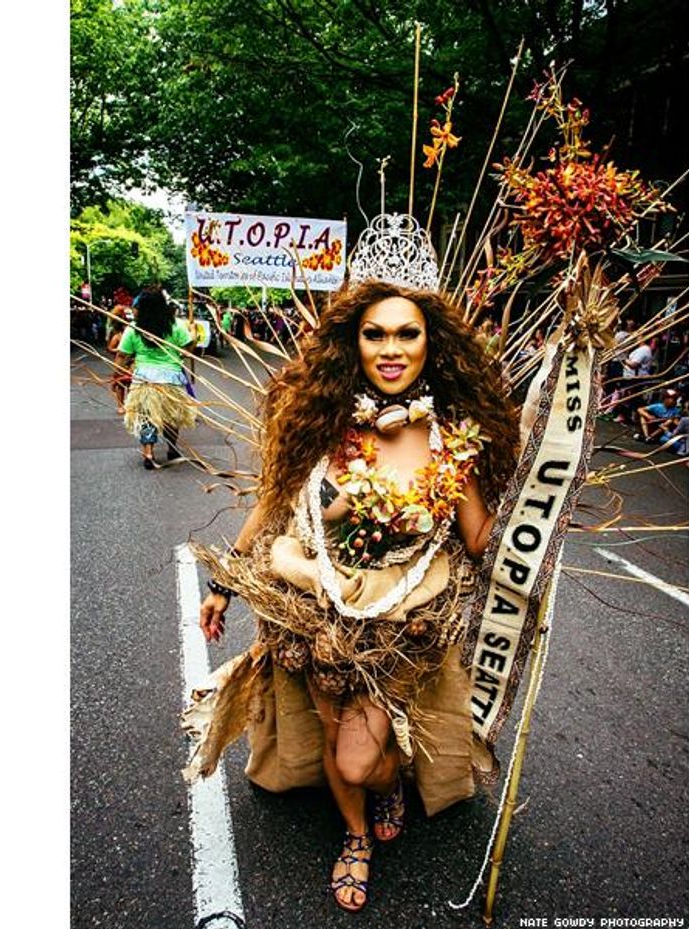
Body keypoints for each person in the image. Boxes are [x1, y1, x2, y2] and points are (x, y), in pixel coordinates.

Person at [187, 280, 519, 912]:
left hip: (403, 616)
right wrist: (224, 584)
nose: (391, 349)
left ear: (431, 344)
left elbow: (480, 538)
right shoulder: (323, 420)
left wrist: (538, 507)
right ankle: (357, 835)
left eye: (407, 334)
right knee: (334, 732)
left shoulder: (451, 438)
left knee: (360, 760)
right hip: (319, 607)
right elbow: (273, 504)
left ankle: (386, 786)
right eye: (375, 334)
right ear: (354, 343)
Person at [115, 286, 197, 469]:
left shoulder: (133, 329)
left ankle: (149, 453)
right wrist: (193, 335)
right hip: (171, 378)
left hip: (144, 379)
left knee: (146, 416)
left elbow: (121, 354)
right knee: (172, 416)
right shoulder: (176, 325)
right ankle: (172, 447)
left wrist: (117, 372)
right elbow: (188, 349)